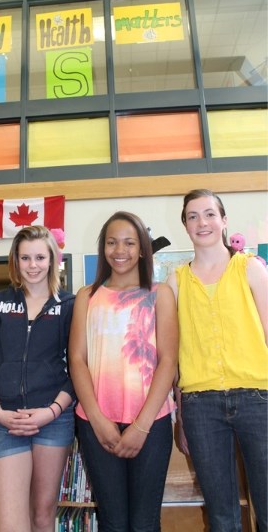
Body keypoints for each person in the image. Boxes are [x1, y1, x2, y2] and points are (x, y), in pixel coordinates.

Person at [69, 211, 178, 532]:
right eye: (112, 242)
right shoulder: (87, 297)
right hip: (96, 424)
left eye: (130, 243)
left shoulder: (160, 294)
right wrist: (98, 420)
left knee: (145, 522)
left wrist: (141, 426)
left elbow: (168, 361)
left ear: (143, 248)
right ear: (103, 248)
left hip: (151, 423)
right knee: (113, 522)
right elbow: (77, 359)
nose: (120, 250)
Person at [167, 189, 268, 532]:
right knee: (222, 515)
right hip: (200, 405)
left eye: (209, 214)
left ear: (224, 221)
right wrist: (181, 411)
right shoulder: (175, 281)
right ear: (185, 226)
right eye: (192, 216)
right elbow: (173, 354)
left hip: (259, 398)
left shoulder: (251, 268)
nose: (202, 222)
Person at [0, 225, 76, 532]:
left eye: (40, 257)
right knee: (10, 524)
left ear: (52, 260)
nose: (33, 265)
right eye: (25, 258)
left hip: (53, 420)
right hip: (6, 420)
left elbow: (79, 369)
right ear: (15, 261)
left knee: (43, 516)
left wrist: (51, 411)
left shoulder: (70, 305)